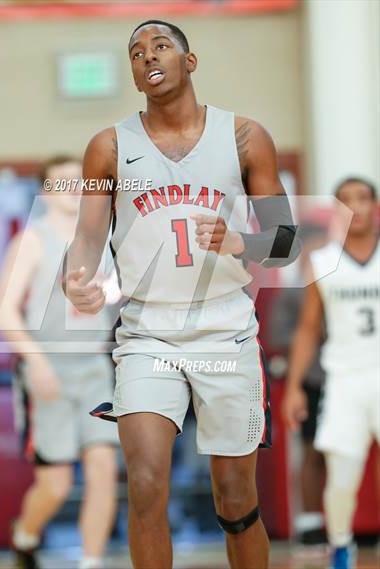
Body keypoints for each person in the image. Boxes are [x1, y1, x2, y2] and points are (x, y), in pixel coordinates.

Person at [62, 20, 300, 569]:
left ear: (189, 62)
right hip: (147, 332)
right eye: (136, 51)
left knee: (236, 502)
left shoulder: (244, 136)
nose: (149, 56)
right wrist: (77, 279)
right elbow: (86, 242)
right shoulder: (107, 147)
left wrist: (244, 240)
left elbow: (287, 244)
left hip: (226, 328)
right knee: (145, 486)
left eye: (161, 46)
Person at [0, 156, 120, 569]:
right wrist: (37, 363)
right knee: (57, 483)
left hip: (95, 368)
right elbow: (4, 311)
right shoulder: (32, 240)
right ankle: (24, 535)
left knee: (103, 466)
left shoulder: (103, 238)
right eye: (63, 182)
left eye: (80, 180)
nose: (75, 188)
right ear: (46, 192)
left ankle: (92, 561)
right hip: (48, 369)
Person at [283, 178, 379, 569]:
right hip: (344, 380)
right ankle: (341, 545)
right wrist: (293, 387)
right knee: (342, 478)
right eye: (346, 200)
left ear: (375, 206)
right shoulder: (321, 261)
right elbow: (308, 328)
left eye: (363, 198)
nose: (355, 206)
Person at [269, 225, 327, 551]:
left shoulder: (339, 284)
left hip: (343, 376)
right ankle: (310, 523)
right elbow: (278, 336)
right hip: (310, 380)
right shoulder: (293, 293)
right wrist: (310, 335)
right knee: (312, 450)